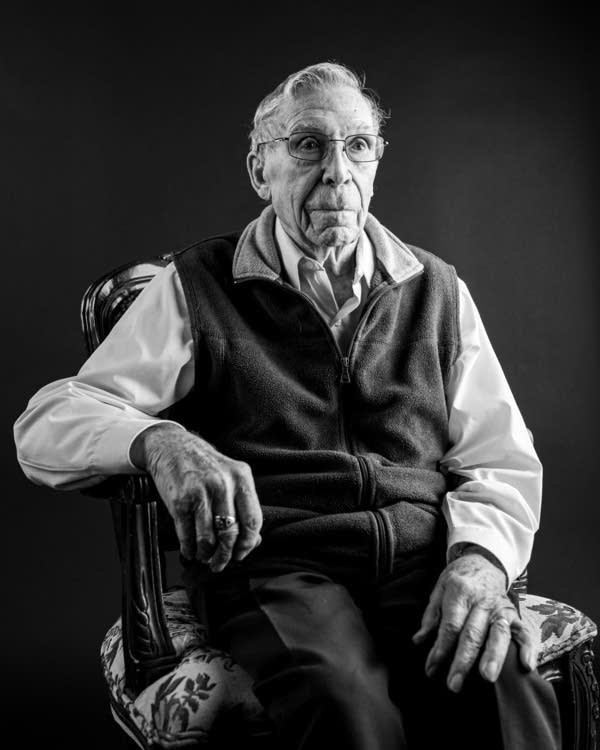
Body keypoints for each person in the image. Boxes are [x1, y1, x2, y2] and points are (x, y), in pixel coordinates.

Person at [14, 62, 561, 749]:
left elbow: (500, 458)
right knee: (346, 711)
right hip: (281, 568)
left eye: (358, 145)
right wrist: (162, 442)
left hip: (422, 559)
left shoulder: (438, 290)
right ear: (259, 169)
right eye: (309, 145)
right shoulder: (199, 285)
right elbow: (48, 422)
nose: (337, 170)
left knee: (505, 687)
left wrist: (478, 559)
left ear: (376, 162)